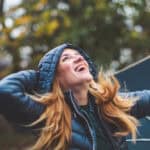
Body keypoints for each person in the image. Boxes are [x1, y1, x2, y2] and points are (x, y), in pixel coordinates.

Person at [0, 43, 150, 150]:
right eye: (66, 58)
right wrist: (40, 76)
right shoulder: (48, 116)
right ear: (54, 78)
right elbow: (5, 91)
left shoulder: (112, 104)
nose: (79, 59)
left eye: (78, 56)